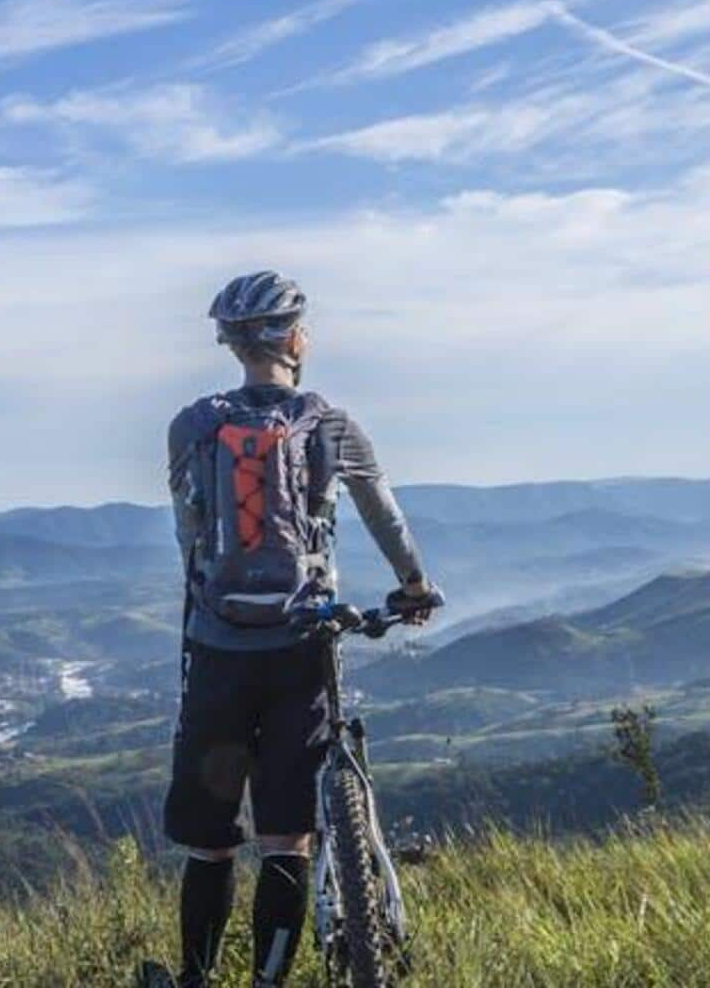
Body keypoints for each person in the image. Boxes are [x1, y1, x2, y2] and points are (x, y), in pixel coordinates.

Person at [156, 271, 441, 988]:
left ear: (232, 343)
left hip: (218, 652)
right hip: (300, 648)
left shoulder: (191, 427)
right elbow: (385, 517)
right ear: (295, 338)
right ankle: (269, 980)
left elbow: (190, 534)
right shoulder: (330, 424)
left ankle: (195, 978)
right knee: (287, 834)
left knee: (212, 840)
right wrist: (414, 585)